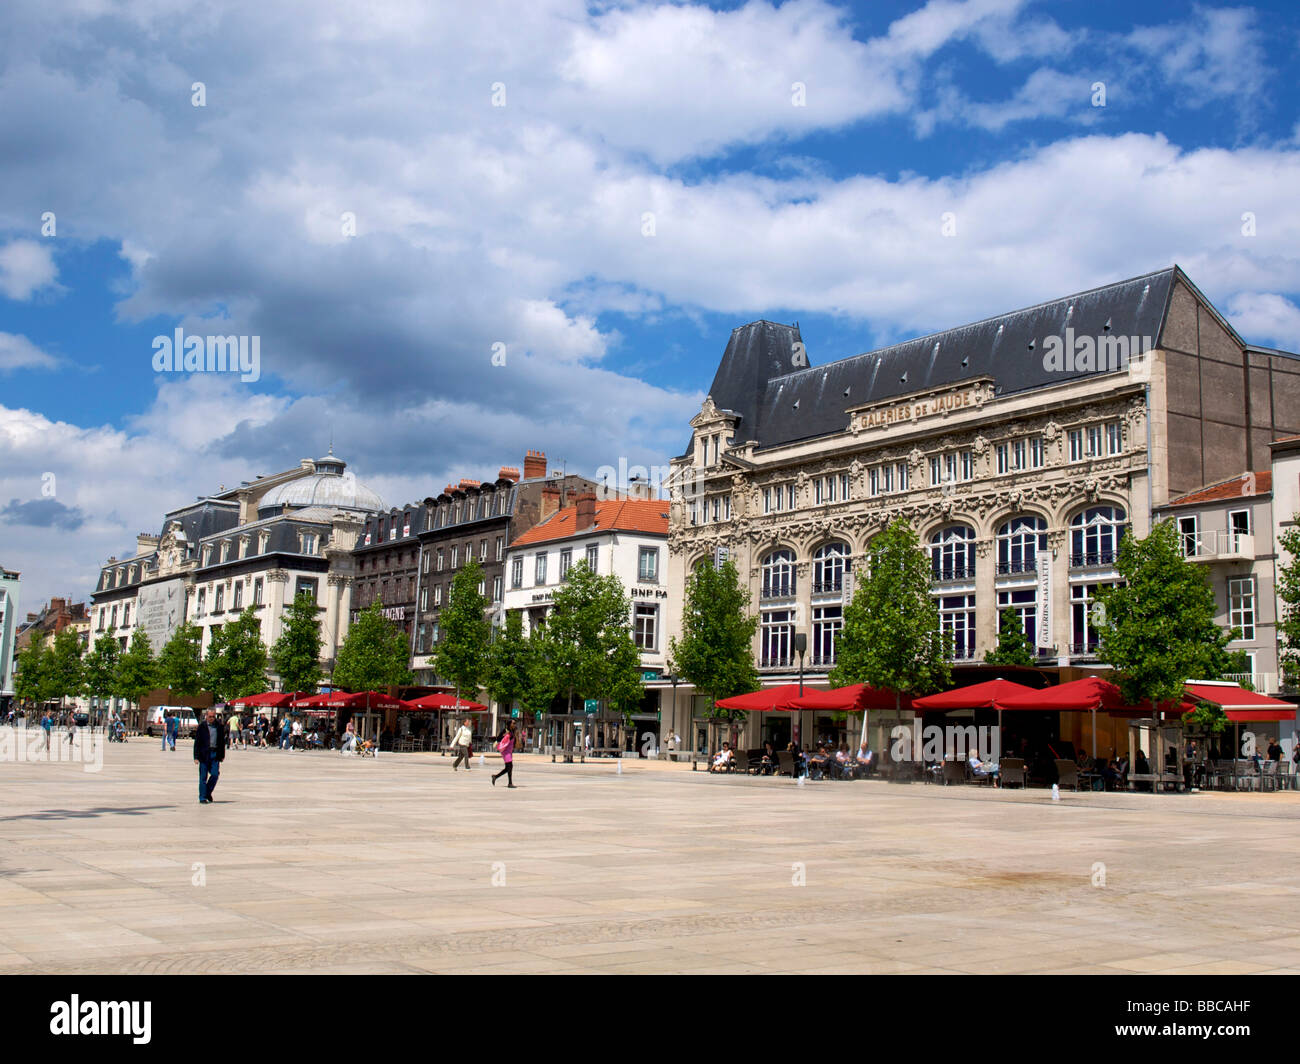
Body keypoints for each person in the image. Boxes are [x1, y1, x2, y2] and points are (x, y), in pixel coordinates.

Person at [193, 707, 227, 803]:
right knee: (203, 777)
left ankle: (208, 792)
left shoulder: (219, 726)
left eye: (213, 716)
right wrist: (196, 757)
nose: (212, 718)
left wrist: (222, 755)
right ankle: (202, 797)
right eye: (210, 716)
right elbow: (197, 742)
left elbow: (222, 742)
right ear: (206, 716)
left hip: (215, 754)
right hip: (204, 754)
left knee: (215, 774)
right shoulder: (202, 726)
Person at [492, 721, 518, 788]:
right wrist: (504, 735)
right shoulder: (505, 730)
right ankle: (510, 783)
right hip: (505, 751)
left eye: (515, 723)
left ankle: (495, 776)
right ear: (509, 724)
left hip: (509, 751)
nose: (515, 724)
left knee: (508, 768)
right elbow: (498, 738)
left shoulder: (513, 730)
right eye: (513, 723)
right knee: (510, 767)